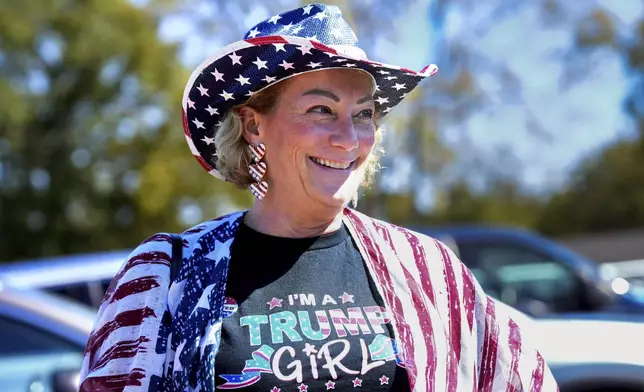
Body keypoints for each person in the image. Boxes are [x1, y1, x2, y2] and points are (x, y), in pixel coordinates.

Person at [79, 3, 558, 392]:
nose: (348, 138)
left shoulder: (427, 270)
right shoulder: (170, 277)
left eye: (364, 114)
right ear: (254, 126)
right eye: (321, 110)